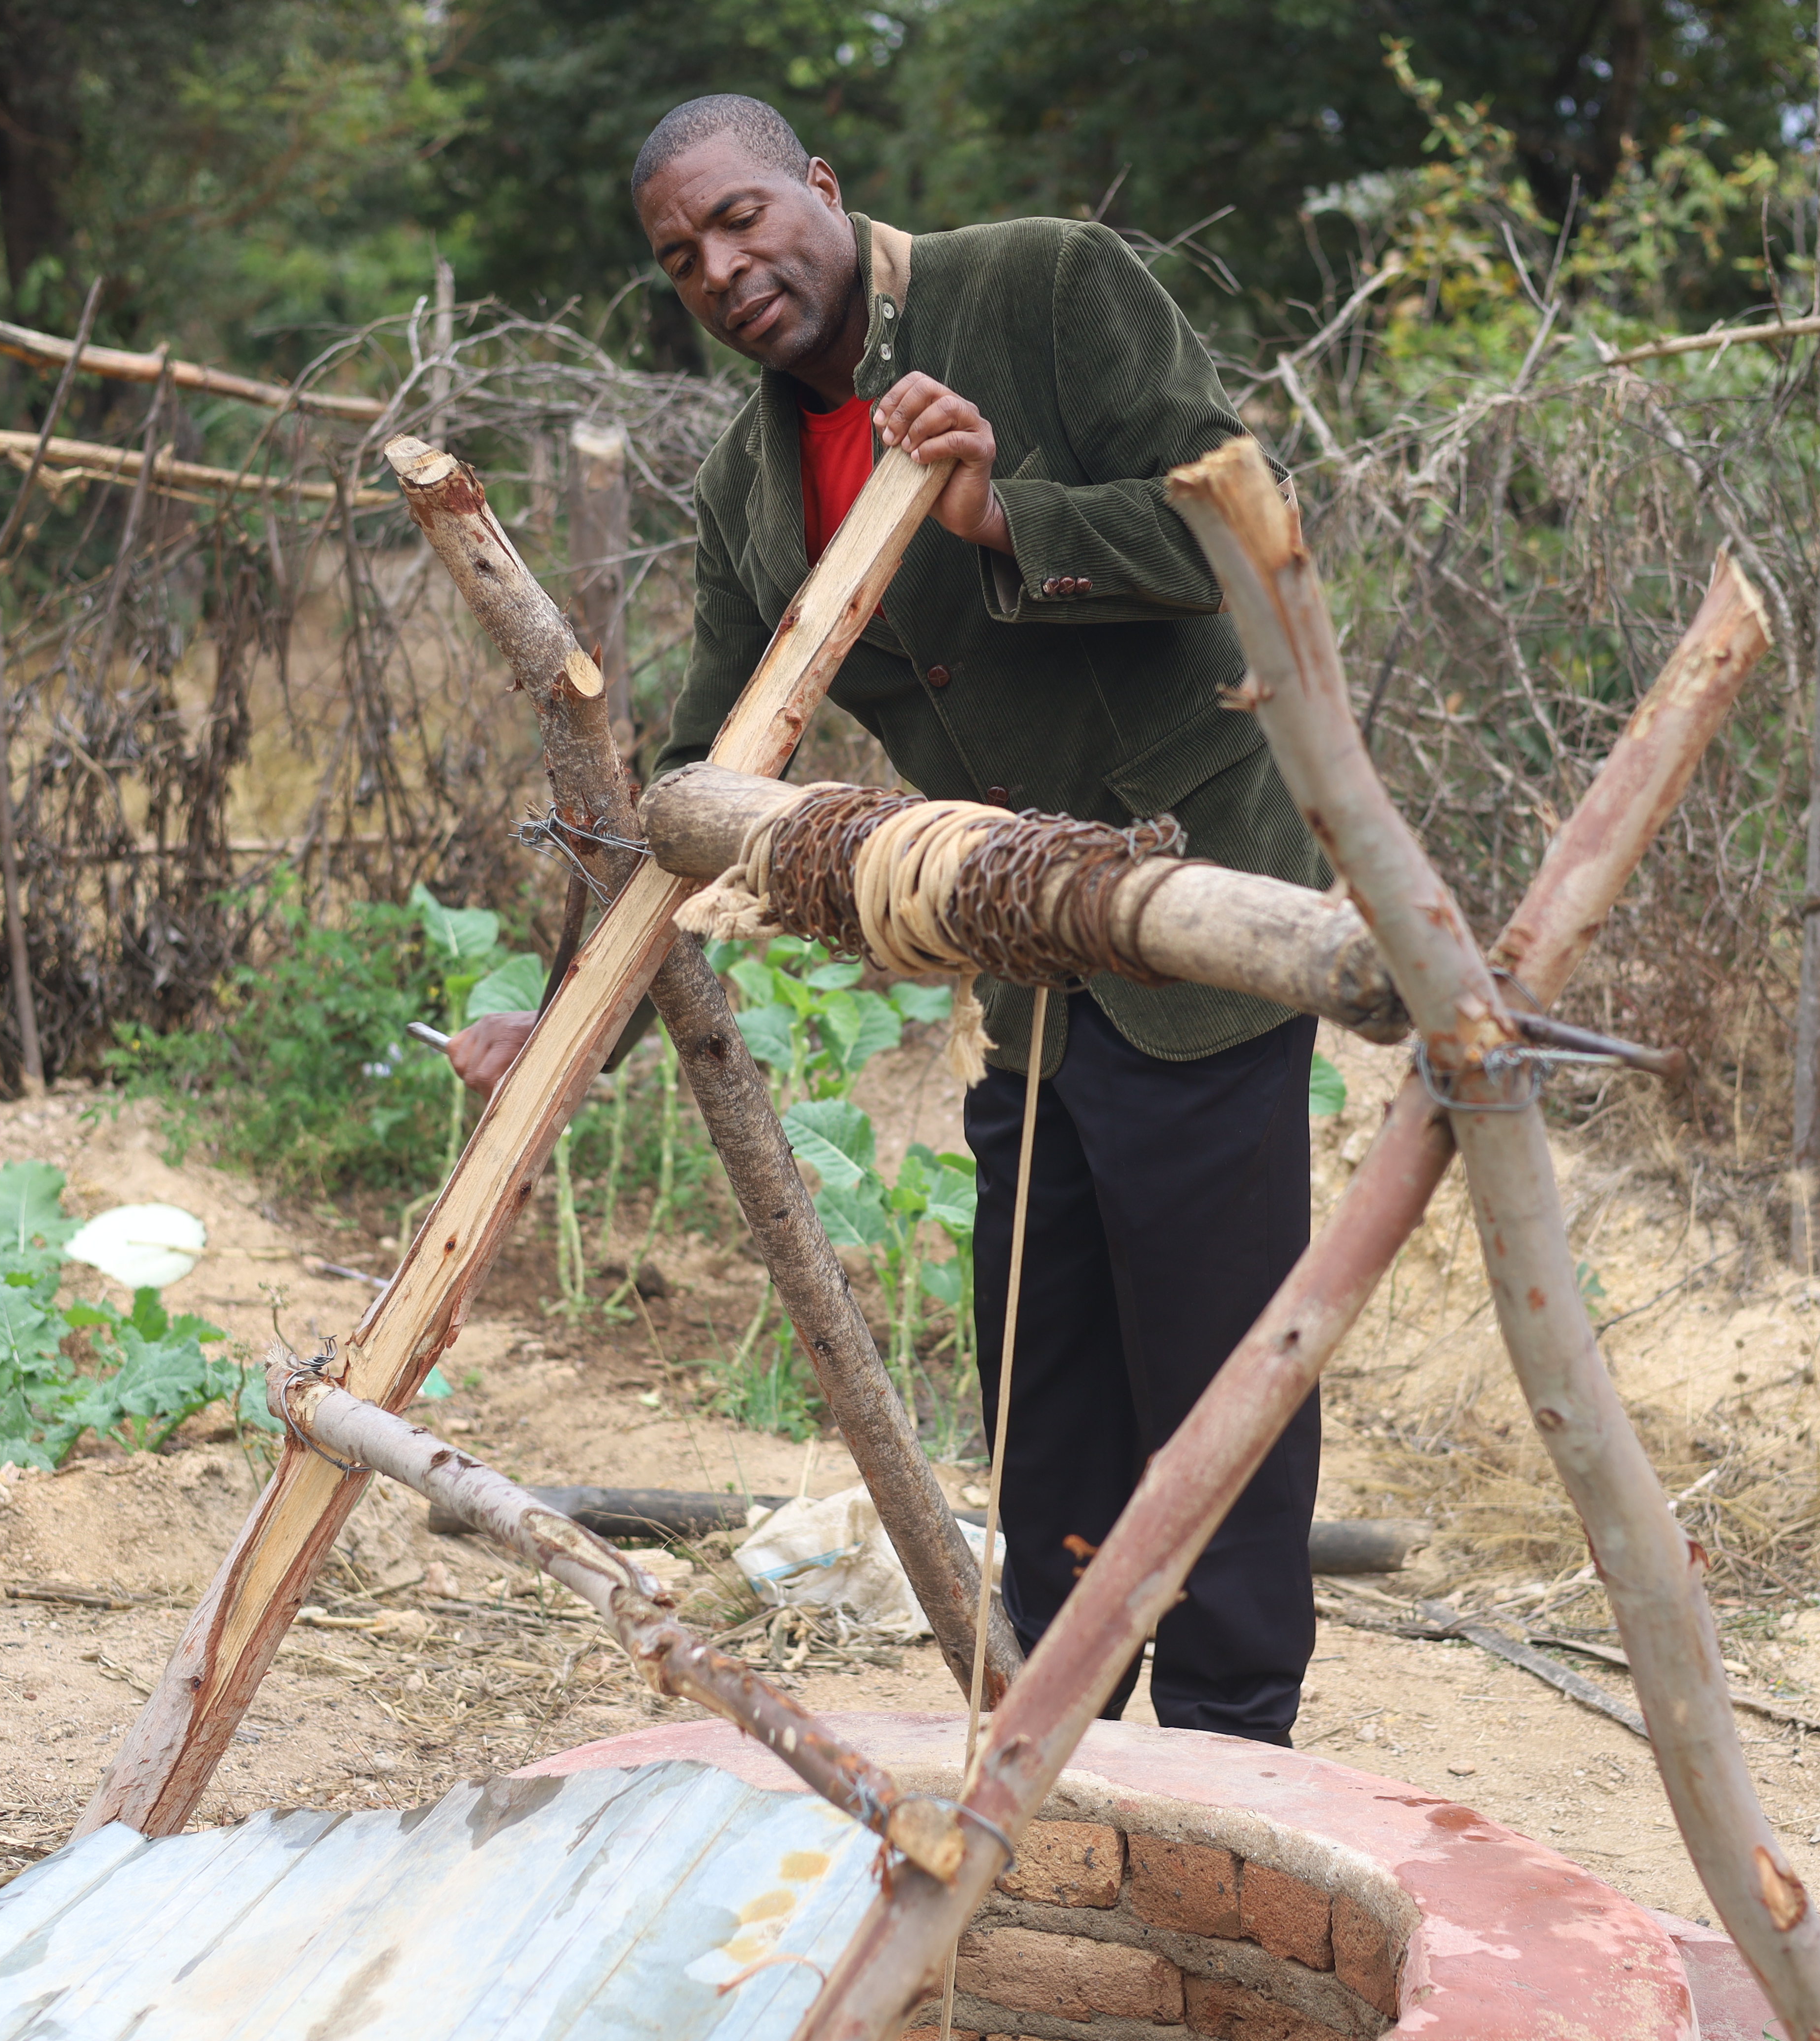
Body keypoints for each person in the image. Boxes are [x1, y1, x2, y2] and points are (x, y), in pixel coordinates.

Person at [448, 94, 1326, 1744]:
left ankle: (1234, 1760)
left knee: (1223, 1384)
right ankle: (1055, 1750)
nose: (721, 268)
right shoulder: (749, 486)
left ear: (821, 193)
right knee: (1043, 1380)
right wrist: (569, 1016)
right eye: (679, 256)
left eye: (740, 218)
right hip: (1029, 972)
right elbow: (695, 787)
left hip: (1200, 933)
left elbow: (1240, 530)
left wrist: (1013, 518)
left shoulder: (1048, 286)